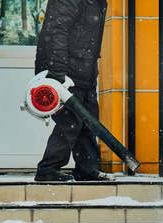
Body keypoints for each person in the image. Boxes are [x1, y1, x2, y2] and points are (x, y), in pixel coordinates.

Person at [34, 0, 111, 181]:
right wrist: (58, 72)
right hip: (65, 69)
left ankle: (87, 168)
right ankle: (48, 169)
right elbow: (57, 31)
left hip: (84, 69)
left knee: (88, 118)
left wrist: (91, 70)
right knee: (70, 120)